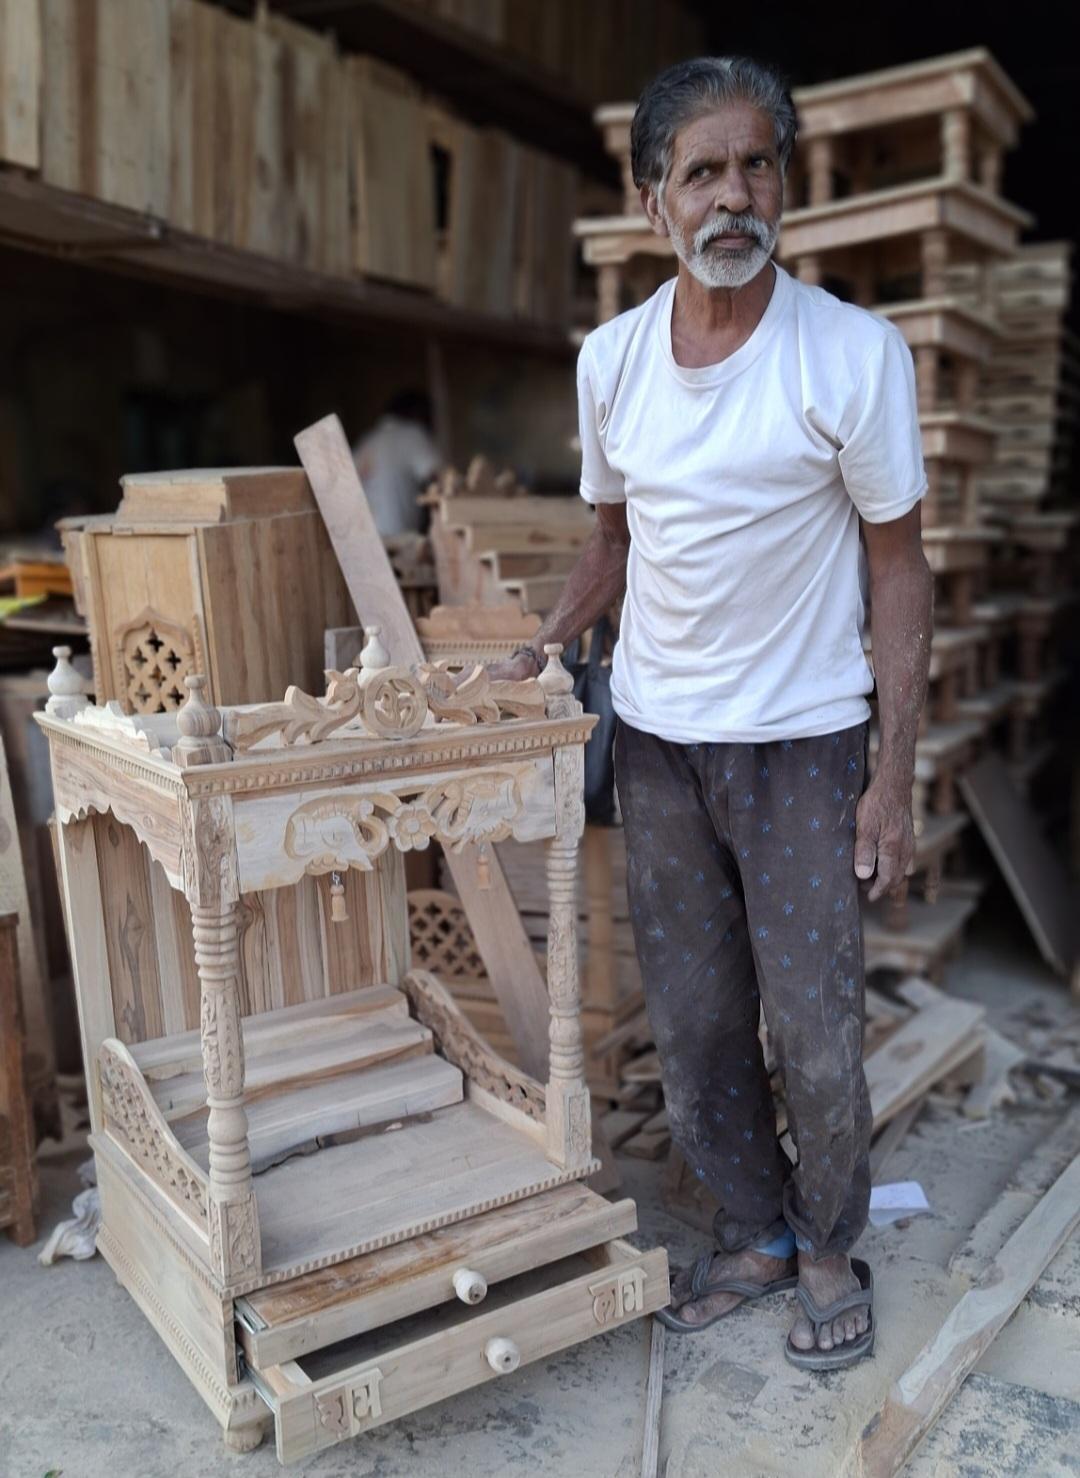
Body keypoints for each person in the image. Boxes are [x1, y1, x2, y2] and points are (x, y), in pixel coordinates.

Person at [492, 55, 933, 1369]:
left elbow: (901, 566)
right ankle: (750, 1226)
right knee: (690, 1017)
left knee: (812, 1020)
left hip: (803, 745)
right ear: (652, 204)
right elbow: (613, 541)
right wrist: (543, 641)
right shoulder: (612, 363)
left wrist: (891, 775)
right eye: (702, 171)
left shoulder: (852, 355)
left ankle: (830, 1240)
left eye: (756, 166)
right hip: (660, 743)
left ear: (783, 186)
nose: (733, 195)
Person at [351, 390, 440, 538]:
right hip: (399, 539)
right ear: (418, 414)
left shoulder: (365, 442)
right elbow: (439, 478)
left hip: (364, 541)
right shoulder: (413, 435)